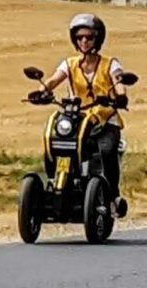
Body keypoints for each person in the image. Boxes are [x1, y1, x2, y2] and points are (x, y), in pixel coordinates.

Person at [31, 12, 131, 215]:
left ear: (98, 39)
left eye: (89, 37)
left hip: (105, 122)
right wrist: (41, 92)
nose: (84, 41)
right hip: (77, 119)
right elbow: (53, 80)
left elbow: (119, 82)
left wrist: (120, 96)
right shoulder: (69, 64)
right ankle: (54, 182)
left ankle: (113, 197)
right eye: (80, 37)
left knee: (107, 151)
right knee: (54, 139)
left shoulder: (111, 64)